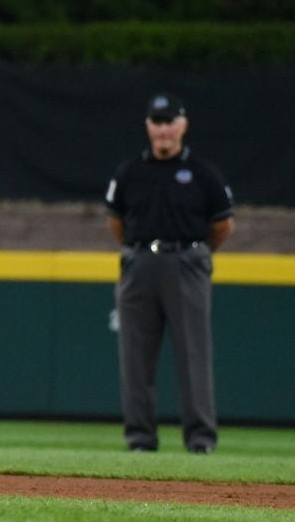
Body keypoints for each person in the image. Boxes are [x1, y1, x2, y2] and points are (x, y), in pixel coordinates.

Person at [104, 92, 235, 454]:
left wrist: (195, 254)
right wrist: (137, 250)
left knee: (194, 355)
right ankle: (140, 440)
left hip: (186, 261)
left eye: (169, 122)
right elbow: (116, 221)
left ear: (183, 125)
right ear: (148, 126)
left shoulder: (202, 173)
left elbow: (223, 225)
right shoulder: (129, 171)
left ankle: (200, 440)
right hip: (140, 261)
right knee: (135, 358)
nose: (163, 129)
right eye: (157, 122)